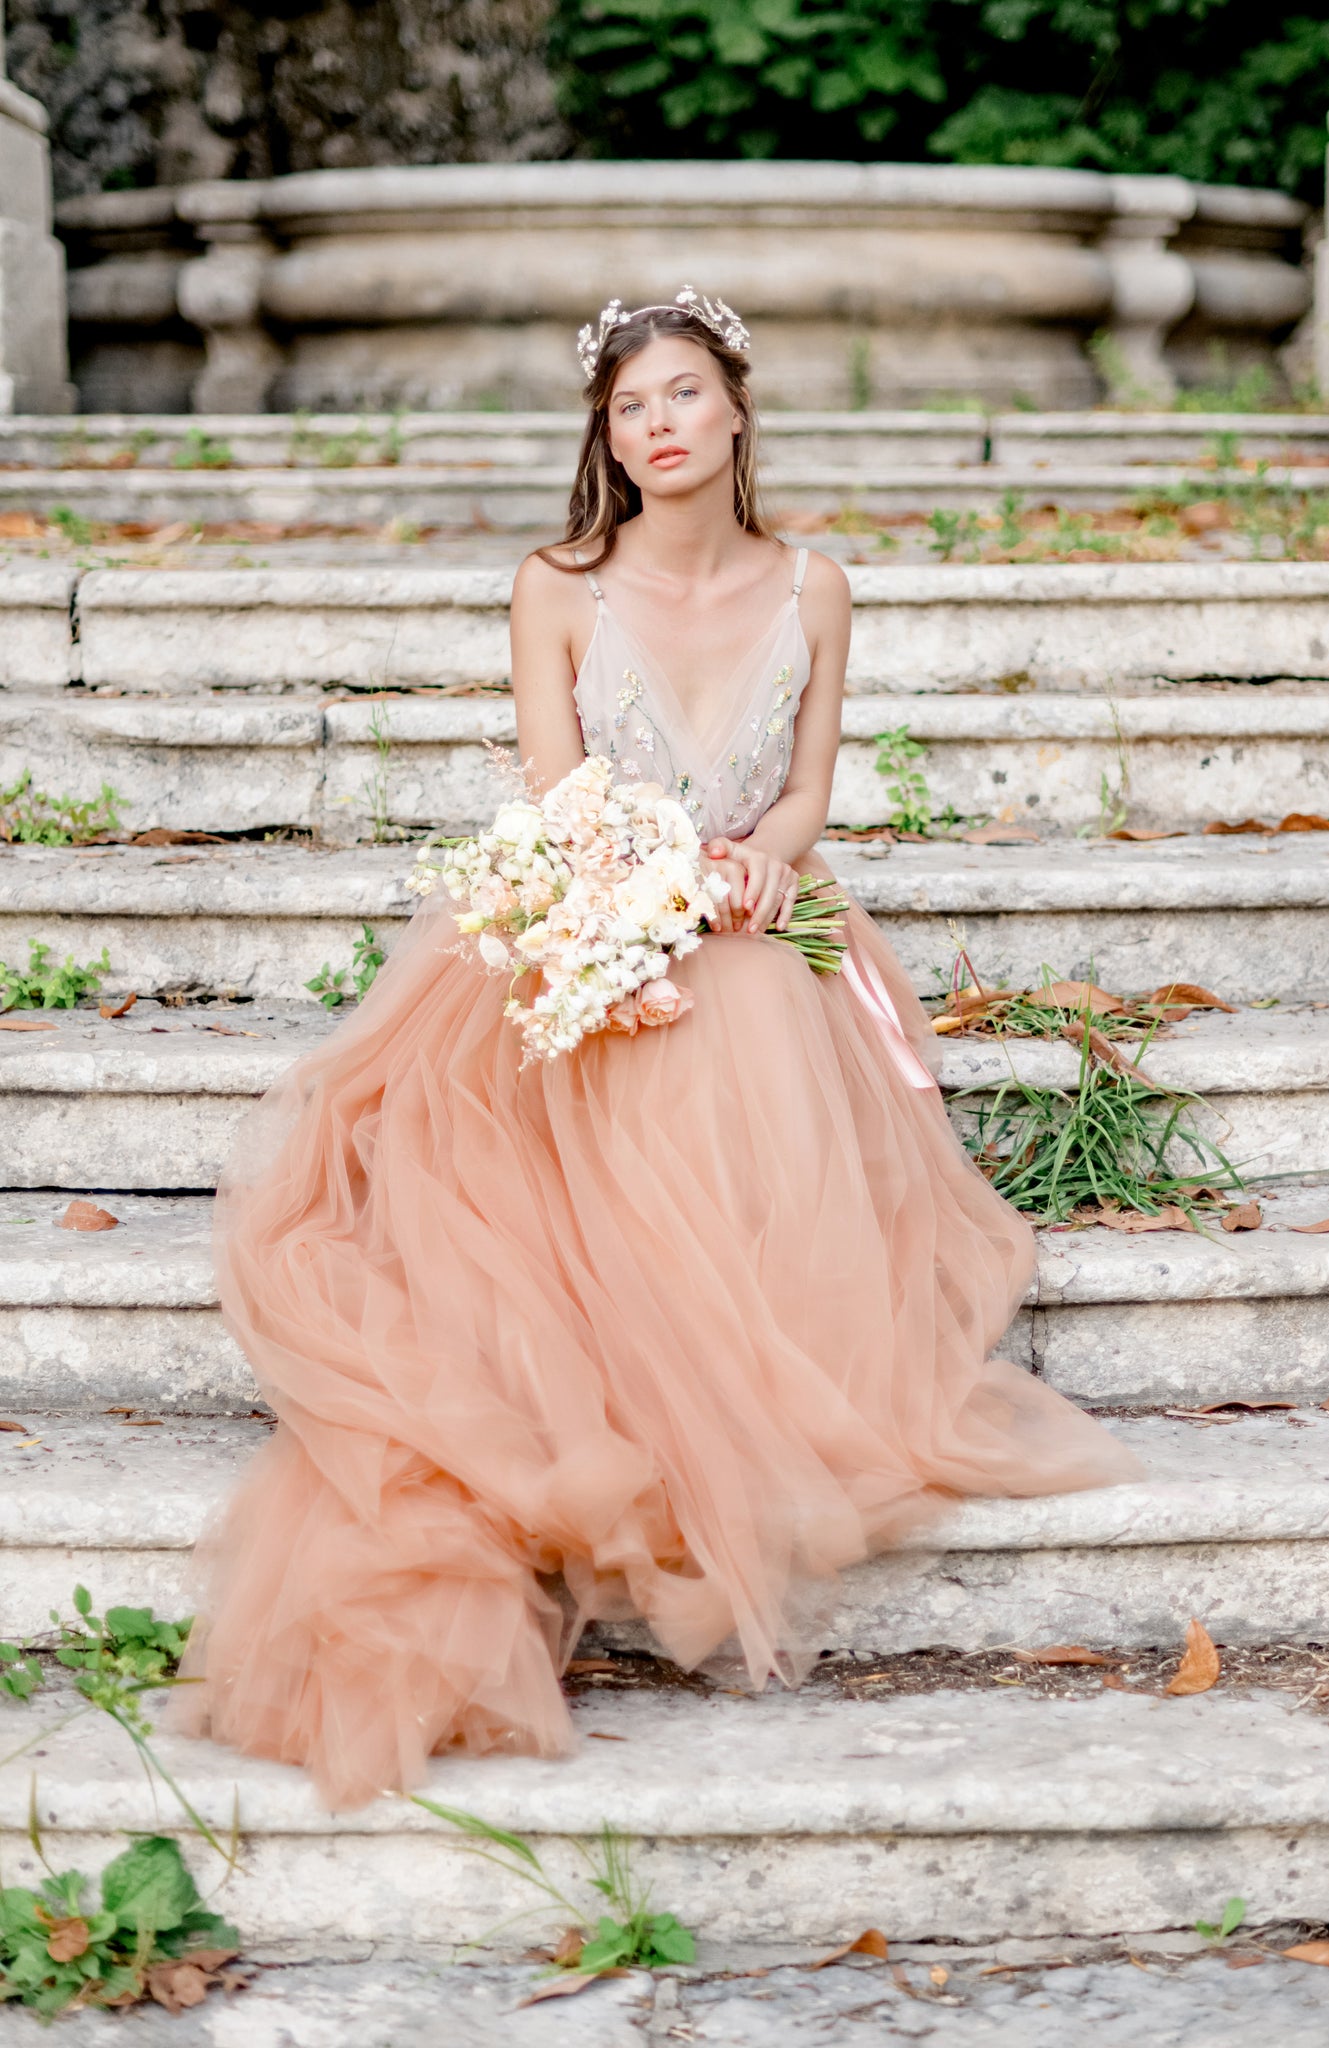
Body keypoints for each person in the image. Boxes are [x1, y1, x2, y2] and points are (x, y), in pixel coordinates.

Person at [175, 289, 1141, 1810]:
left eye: (683, 395)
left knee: (754, 1000)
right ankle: (624, 1392)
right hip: (594, 914)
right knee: (670, 1022)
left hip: (756, 910)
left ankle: (755, 1372)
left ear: (737, 411)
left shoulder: (814, 586)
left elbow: (811, 786)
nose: (659, 425)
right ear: (608, 440)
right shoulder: (556, 585)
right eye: (630, 409)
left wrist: (761, 855)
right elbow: (560, 797)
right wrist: (639, 898)